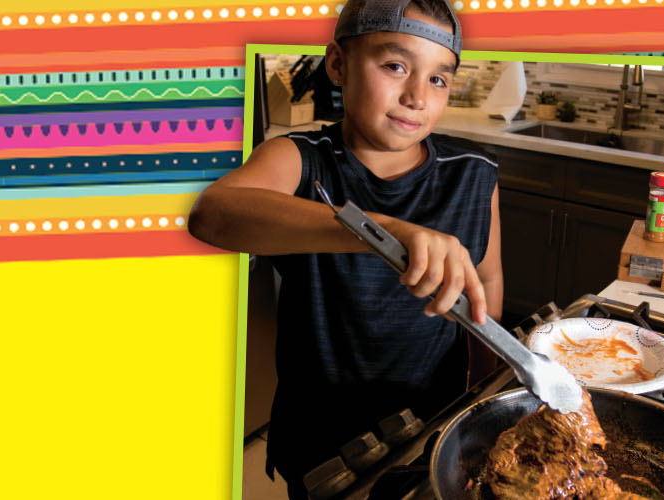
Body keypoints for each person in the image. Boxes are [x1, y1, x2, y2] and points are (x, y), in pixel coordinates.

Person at [186, 0, 501, 497]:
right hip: (321, 436)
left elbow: (485, 281)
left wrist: (486, 385)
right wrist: (380, 229)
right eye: (395, 66)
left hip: (432, 418)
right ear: (337, 64)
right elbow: (212, 213)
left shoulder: (473, 173)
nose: (418, 96)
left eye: (438, 79)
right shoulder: (301, 160)